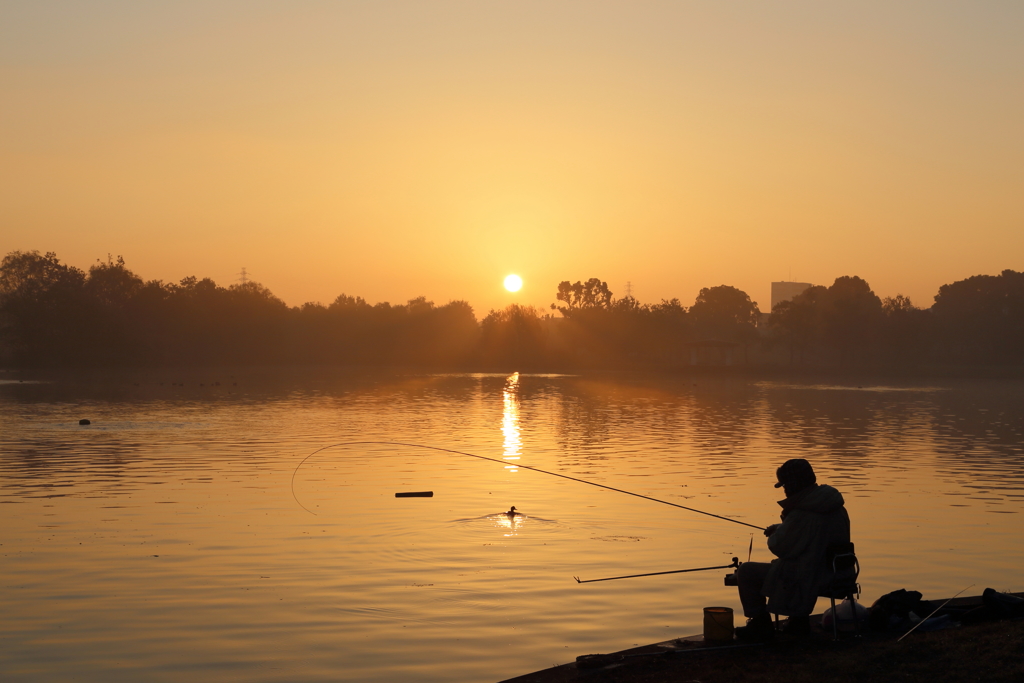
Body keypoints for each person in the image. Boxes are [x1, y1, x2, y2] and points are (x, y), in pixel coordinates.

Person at [734, 458, 851, 641]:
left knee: (746, 571)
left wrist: (777, 533)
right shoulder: (834, 505)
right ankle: (798, 622)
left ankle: (760, 624)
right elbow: (810, 538)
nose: (785, 490)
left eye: (785, 485)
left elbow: (780, 547)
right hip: (839, 572)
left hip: (812, 576)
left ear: (793, 484)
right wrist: (782, 527)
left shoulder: (802, 513)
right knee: (800, 564)